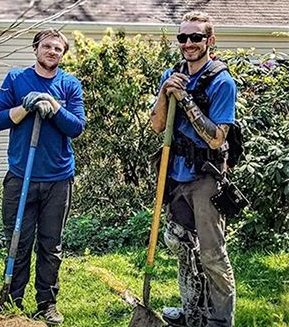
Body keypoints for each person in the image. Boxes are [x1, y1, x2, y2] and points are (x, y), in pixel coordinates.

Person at [0, 28, 85, 325]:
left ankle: (47, 303)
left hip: (58, 178)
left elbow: (76, 127)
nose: (52, 52)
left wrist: (53, 105)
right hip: (21, 176)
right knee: (18, 242)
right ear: (36, 48)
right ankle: (11, 300)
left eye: (58, 49)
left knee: (50, 246)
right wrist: (26, 106)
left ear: (63, 54)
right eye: (47, 46)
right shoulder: (17, 80)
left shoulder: (70, 85)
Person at [150, 12, 236, 327]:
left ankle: (220, 320)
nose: (188, 43)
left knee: (212, 254)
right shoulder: (170, 75)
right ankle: (192, 311)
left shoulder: (222, 81)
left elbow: (216, 138)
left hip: (206, 178)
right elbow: (158, 125)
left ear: (209, 41)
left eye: (196, 37)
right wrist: (164, 93)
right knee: (182, 246)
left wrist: (185, 99)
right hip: (176, 177)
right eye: (183, 37)